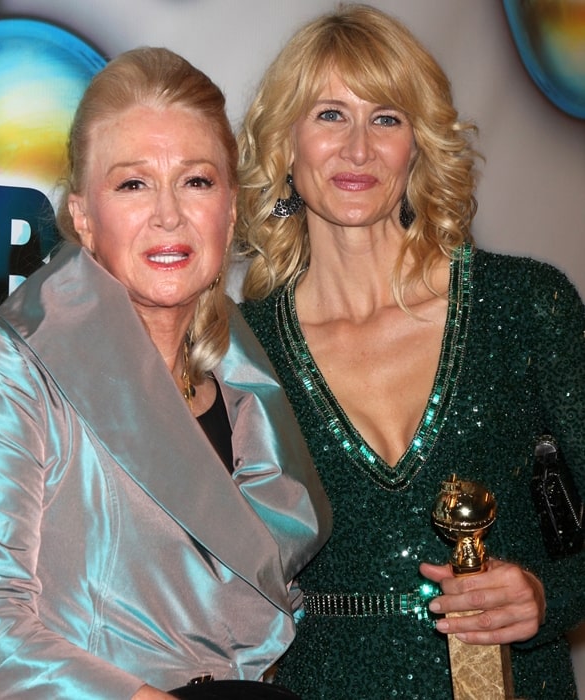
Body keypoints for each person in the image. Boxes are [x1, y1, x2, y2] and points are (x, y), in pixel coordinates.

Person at [0, 47, 332, 700]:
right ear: (82, 217)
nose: (169, 214)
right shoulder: (8, 366)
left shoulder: (249, 393)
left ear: (231, 208)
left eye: (197, 181)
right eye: (133, 184)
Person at [236, 5, 585, 699]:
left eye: (387, 117)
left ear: (418, 144)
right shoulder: (247, 349)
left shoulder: (524, 307)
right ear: (285, 146)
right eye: (329, 115)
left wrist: (550, 595)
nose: (359, 148)